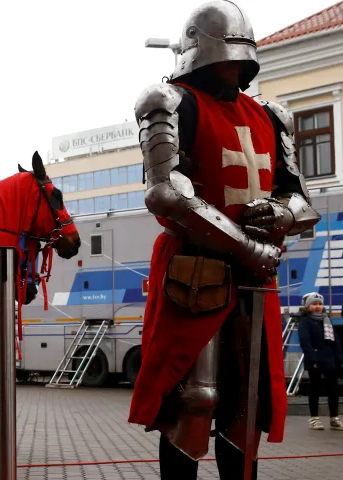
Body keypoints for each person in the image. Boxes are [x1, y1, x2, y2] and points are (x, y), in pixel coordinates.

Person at [127, 2, 321, 479]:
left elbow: (300, 200)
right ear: (204, 53)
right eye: (226, 54)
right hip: (198, 269)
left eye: (241, 57)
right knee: (194, 399)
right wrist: (249, 247)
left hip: (256, 277)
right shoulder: (170, 102)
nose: (235, 65)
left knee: (249, 400)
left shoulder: (270, 116)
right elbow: (166, 193)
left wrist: (279, 213)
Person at [297, 293, 343, 431]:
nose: (318, 307)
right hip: (315, 358)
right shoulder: (305, 321)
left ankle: (334, 418)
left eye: (320, 304)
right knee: (315, 388)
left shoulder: (326, 319)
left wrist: (339, 358)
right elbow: (305, 341)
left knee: (333, 389)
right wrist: (312, 358)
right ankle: (314, 418)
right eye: (314, 304)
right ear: (307, 306)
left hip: (330, 358)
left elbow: (335, 340)